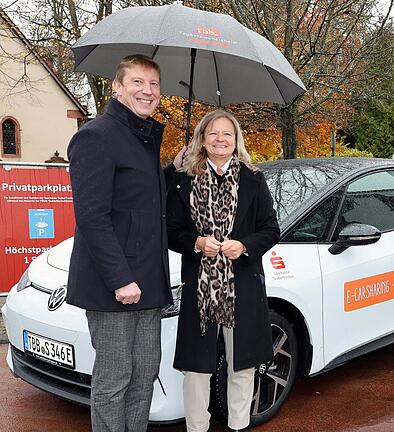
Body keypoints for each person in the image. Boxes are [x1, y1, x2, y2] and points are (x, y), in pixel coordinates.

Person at [66, 55, 172, 431]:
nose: (147, 91)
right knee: (113, 383)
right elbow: (92, 217)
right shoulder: (96, 136)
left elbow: (141, 207)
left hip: (149, 284)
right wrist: (119, 279)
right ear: (117, 86)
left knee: (144, 377)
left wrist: (172, 171)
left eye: (154, 84)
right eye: (138, 82)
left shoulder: (142, 140)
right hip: (117, 288)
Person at [166, 110, 280, 431]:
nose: (220, 139)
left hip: (241, 286)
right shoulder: (183, 180)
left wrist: (243, 246)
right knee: (197, 369)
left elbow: (271, 229)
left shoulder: (253, 179)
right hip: (200, 287)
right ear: (202, 139)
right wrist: (198, 242)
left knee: (241, 365)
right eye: (213, 133)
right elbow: (171, 231)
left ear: (236, 140)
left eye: (227, 134)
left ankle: (238, 426)